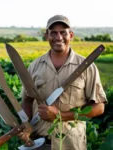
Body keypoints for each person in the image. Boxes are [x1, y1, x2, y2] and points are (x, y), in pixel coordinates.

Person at [18, 15, 107, 150]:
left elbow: (99, 108)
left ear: (70, 35)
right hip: (38, 142)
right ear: (46, 36)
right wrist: (25, 123)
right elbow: (27, 100)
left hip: (71, 144)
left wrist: (60, 116)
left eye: (63, 32)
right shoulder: (35, 66)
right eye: (53, 32)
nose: (58, 37)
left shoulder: (87, 67)